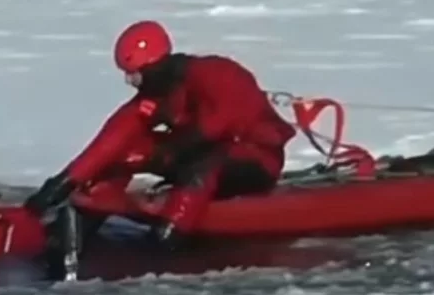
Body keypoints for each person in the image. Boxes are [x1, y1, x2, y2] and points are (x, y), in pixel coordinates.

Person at [24, 20, 296, 245]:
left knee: (203, 164)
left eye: (135, 75)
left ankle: (171, 236)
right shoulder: (155, 96)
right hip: (195, 156)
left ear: (153, 66)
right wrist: (63, 183)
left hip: (255, 159)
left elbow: (219, 123)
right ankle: (76, 227)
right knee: (126, 153)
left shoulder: (215, 73)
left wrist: (174, 151)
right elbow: (113, 140)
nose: (132, 83)